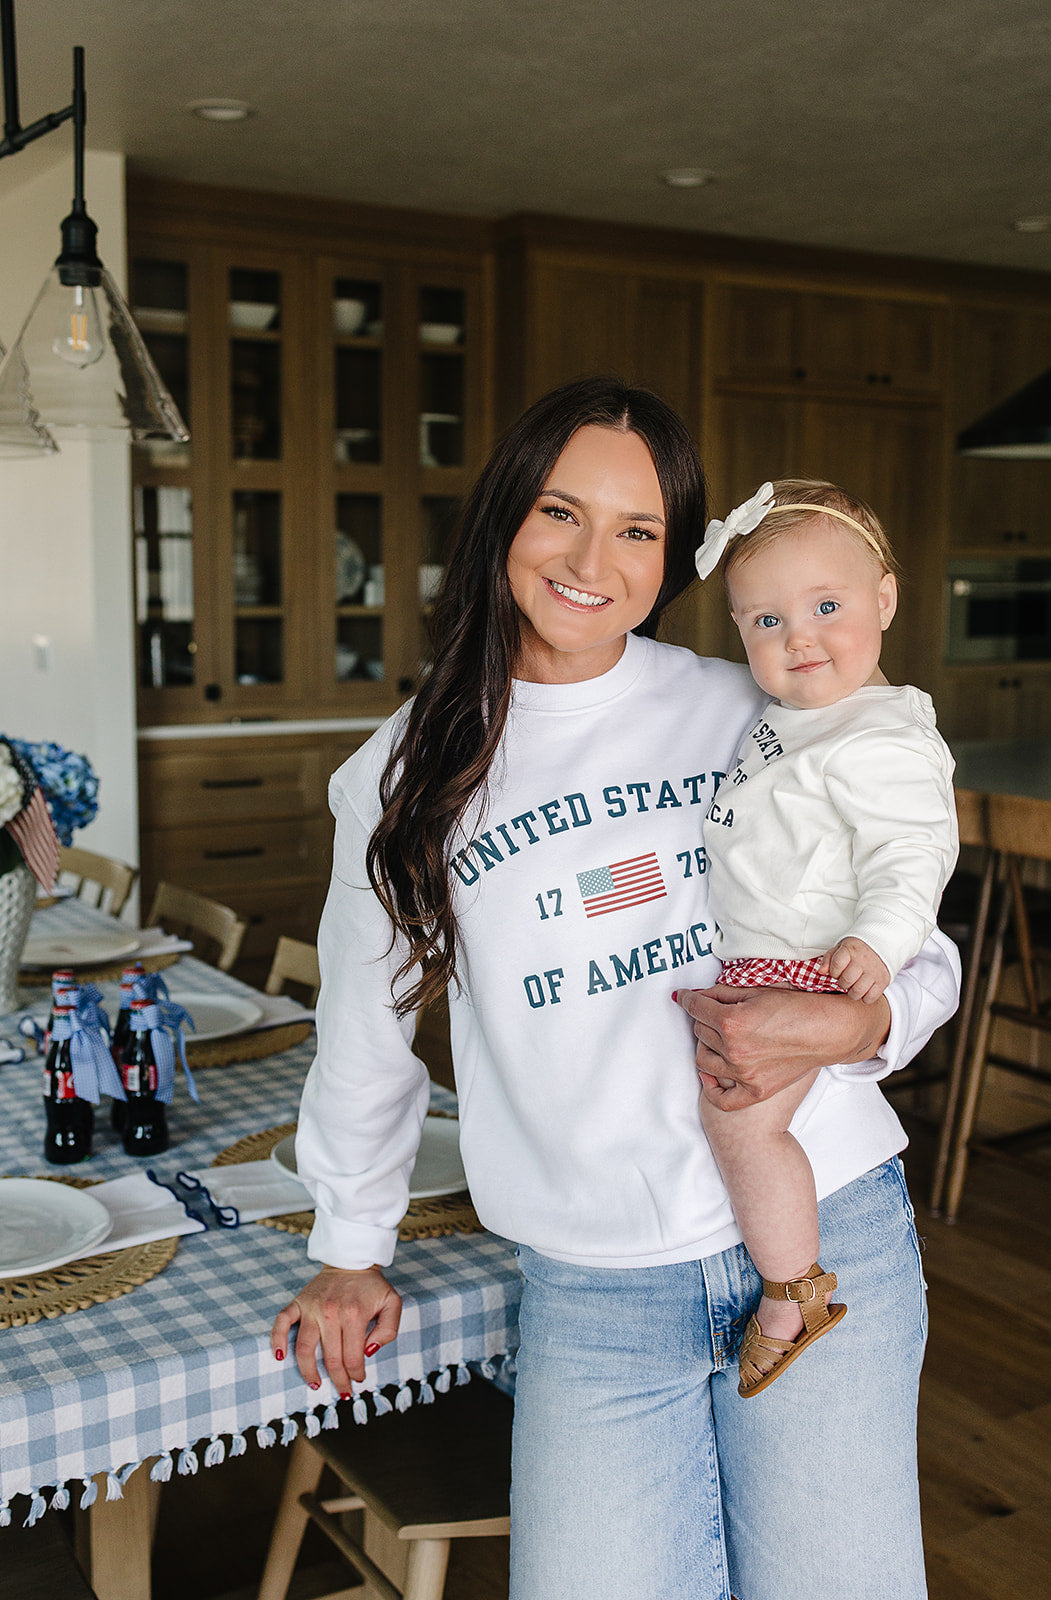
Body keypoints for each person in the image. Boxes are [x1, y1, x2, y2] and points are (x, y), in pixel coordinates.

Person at [271, 377, 959, 1600]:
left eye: (637, 530)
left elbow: (915, 930)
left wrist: (865, 1015)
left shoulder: (743, 704)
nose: (594, 559)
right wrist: (348, 1242)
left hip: (826, 1231)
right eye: (558, 512)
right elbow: (363, 1027)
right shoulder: (398, 772)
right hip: (595, 1291)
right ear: (502, 521)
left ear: (672, 554)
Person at [692, 480, 958, 1400]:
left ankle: (790, 1291)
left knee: (739, 1119)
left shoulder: (878, 736)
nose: (797, 637)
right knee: (736, 1113)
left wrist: (879, 947)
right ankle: (786, 1278)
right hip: (765, 946)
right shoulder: (801, 714)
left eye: (827, 607)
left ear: (884, 598)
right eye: (763, 621)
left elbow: (913, 852)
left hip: (805, 959)